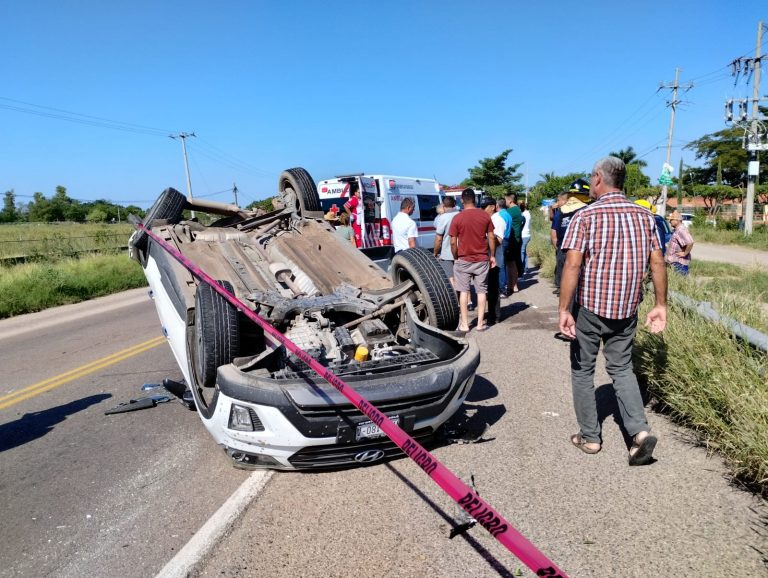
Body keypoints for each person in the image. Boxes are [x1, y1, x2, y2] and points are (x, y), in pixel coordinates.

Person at [558, 156, 667, 466]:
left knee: (583, 370)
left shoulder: (585, 217)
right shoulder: (645, 217)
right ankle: (640, 434)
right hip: (627, 309)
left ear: (597, 178)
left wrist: (564, 309)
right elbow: (657, 262)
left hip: (590, 309)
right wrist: (661, 305)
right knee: (621, 368)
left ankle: (590, 438)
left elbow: (573, 264)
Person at [449, 188, 496, 332]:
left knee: (463, 291)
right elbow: (491, 237)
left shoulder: (457, 217)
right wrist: (492, 255)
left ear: (462, 200)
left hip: (463, 259)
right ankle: (480, 324)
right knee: (481, 291)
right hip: (482, 258)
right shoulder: (485, 216)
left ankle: (464, 324)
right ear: (475, 200)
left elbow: (452, 241)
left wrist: (456, 256)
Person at [551, 185, 588, 295]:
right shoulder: (586, 209)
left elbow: (554, 231)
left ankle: (564, 291)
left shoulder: (561, 211)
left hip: (564, 245)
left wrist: (557, 247)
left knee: (564, 269)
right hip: (577, 247)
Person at [483, 199, 502, 324]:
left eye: (486, 207)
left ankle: (495, 316)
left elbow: (499, 239)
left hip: (495, 259)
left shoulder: (496, 219)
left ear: (493, 207)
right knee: (488, 288)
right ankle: (491, 314)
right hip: (487, 258)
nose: (484, 210)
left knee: (493, 288)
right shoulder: (489, 218)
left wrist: (484, 241)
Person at [433, 196, 459, 288]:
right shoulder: (461, 214)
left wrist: (435, 252)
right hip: (461, 251)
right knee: (461, 277)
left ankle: (455, 300)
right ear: (455, 204)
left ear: (443, 205)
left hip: (447, 253)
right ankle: (466, 299)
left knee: (450, 277)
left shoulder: (442, 218)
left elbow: (439, 238)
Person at [504, 193, 524, 294]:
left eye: (505, 200)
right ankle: (513, 285)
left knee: (511, 263)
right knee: (514, 262)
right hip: (517, 238)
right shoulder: (518, 210)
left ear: (510, 201)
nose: (504, 202)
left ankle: (513, 285)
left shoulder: (511, 211)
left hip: (512, 240)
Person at [665, 210, 694, 275]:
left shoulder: (681, 230)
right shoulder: (677, 230)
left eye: (671, 220)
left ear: (677, 220)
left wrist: (685, 253)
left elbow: (690, 242)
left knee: (681, 280)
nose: (670, 222)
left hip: (679, 263)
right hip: (675, 261)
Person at [343, 183, 363, 248]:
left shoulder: (360, 199)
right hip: (356, 221)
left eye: (361, 192)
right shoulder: (354, 199)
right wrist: (351, 215)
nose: (360, 194)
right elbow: (345, 206)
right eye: (359, 192)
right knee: (358, 237)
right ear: (355, 193)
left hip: (361, 220)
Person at [519, 201, 531, 276]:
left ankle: (521, 269)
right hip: (527, 235)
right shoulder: (528, 213)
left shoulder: (523, 214)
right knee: (524, 252)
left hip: (524, 235)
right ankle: (525, 268)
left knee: (521, 252)